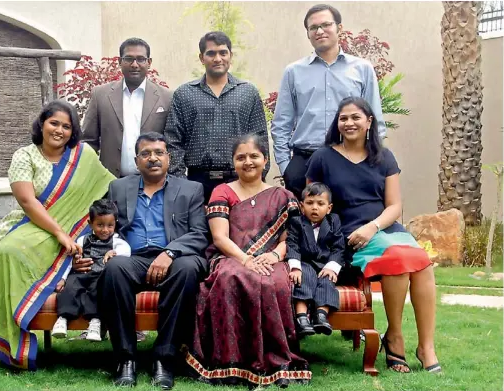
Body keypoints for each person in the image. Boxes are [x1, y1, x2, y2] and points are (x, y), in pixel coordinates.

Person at [0, 100, 115, 370]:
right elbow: (28, 201)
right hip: (32, 226)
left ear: (73, 131)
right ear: (42, 124)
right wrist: (58, 232)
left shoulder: (84, 156)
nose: (59, 130)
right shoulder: (25, 155)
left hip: (73, 235)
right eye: (53, 123)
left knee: (7, 256)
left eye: (66, 126)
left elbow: (106, 185)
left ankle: (0, 342)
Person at [305, 96, 441, 374]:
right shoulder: (322, 158)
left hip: (383, 228)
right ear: (337, 123)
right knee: (398, 261)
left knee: (422, 264)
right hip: (347, 234)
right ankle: (395, 338)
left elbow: (395, 205)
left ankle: (426, 346)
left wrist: (374, 226)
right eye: (343, 118)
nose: (349, 122)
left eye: (356, 117)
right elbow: (312, 204)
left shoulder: (384, 157)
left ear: (369, 122)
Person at [74, 132, 208, 389]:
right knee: (114, 268)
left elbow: (200, 233)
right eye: (145, 154)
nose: (153, 158)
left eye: (159, 153)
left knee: (188, 268)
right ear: (136, 161)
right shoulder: (119, 188)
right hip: (132, 257)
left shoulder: (191, 189)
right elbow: (103, 226)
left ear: (169, 158)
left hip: (175, 256)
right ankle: (125, 358)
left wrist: (169, 253)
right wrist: (94, 251)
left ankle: (164, 359)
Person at [186, 134, 312, 387]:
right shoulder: (222, 191)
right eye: (241, 157)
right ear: (233, 163)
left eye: (254, 156)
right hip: (231, 257)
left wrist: (275, 254)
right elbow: (220, 238)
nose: (248, 162)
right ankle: (230, 361)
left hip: (271, 258)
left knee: (274, 282)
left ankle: (277, 361)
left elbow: (291, 239)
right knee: (232, 278)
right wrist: (246, 260)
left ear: (265, 160)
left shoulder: (283, 196)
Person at [271, 4, 386, 200]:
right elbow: (281, 124)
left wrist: (369, 160)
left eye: (326, 24)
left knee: (349, 222)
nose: (320, 31)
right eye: (313, 27)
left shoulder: (362, 69)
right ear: (307, 33)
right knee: (305, 227)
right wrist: (286, 167)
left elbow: (375, 121)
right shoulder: (294, 72)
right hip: (305, 161)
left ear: (339, 28)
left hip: (350, 158)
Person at [164, 31, 269, 203]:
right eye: (211, 53)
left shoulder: (248, 93)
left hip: (240, 178)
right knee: (198, 230)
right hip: (197, 182)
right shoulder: (184, 94)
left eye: (223, 53)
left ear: (230, 55)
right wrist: (180, 182)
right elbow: (173, 140)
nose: (217, 58)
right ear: (201, 57)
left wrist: (257, 179)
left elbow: (260, 139)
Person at [82, 37, 173, 178]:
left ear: (149, 63)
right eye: (129, 59)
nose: (134, 64)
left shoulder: (167, 97)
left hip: (155, 183)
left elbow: (174, 143)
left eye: (141, 59)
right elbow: (88, 142)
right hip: (110, 182)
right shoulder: (101, 95)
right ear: (120, 62)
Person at [51, 199, 131, 341]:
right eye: (100, 225)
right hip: (82, 274)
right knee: (70, 287)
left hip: (100, 276)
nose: (105, 230)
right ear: (90, 224)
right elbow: (71, 261)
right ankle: (63, 318)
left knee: (97, 291)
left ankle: (95, 322)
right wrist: (63, 278)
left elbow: (126, 252)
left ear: (115, 224)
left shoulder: (118, 242)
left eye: (110, 225)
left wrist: (114, 254)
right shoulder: (82, 240)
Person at [287, 182, 345, 338]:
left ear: (329, 208)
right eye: (309, 203)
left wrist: (332, 267)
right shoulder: (296, 222)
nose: (314, 207)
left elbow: (338, 247)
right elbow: (292, 244)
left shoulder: (334, 221)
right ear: (301, 205)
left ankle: (321, 316)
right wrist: (295, 267)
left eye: (320, 203)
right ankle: (301, 318)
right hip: (304, 263)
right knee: (303, 279)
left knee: (327, 281)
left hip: (325, 265)